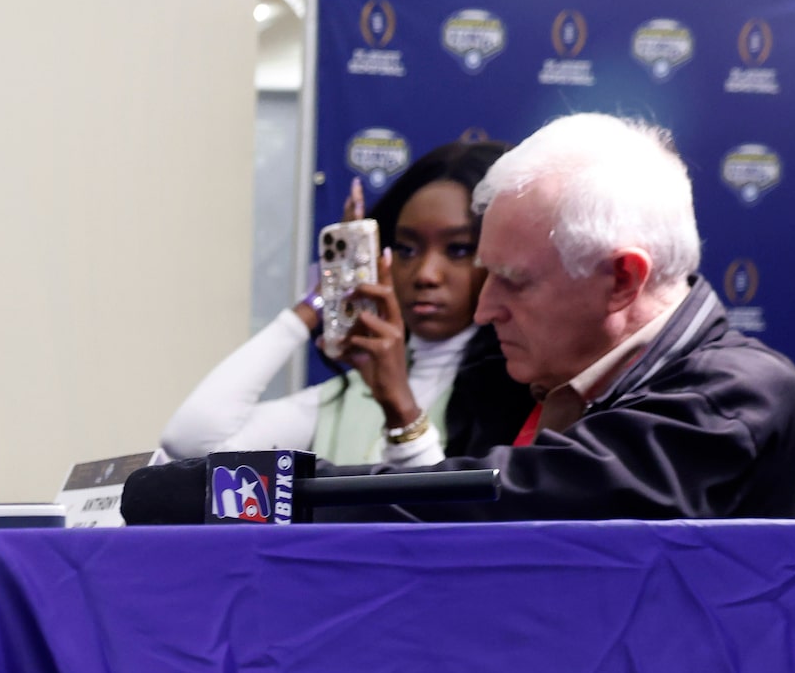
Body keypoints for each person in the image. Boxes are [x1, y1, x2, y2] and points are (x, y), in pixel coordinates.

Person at [374, 112, 795, 519]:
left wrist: (311, 492)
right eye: (486, 275)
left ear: (623, 280)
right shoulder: (499, 377)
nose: (484, 310)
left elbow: (517, 506)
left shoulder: (736, 395)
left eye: (514, 281)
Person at [161, 141, 532, 466]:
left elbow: (451, 524)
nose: (426, 274)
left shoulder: (521, 393)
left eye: (458, 250)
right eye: (405, 249)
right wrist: (316, 301)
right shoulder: (355, 392)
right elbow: (190, 443)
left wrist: (400, 407)